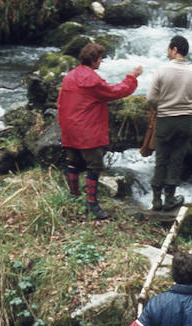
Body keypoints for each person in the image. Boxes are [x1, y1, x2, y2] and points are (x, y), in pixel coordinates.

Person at [57, 42, 142, 220]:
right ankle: (91, 204)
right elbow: (115, 92)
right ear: (94, 60)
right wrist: (132, 77)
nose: (101, 61)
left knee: (72, 163)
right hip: (87, 130)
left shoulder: (70, 76)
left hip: (69, 127)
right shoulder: (92, 80)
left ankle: (74, 196)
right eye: (100, 58)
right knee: (94, 166)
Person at [146, 34, 192, 212]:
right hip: (185, 121)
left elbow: (150, 98)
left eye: (169, 48)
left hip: (165, 120)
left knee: (161, 158)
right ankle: (170, 199)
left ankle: (156, 200)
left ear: (175, 49)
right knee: (176, 160)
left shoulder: (162, 70)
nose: (167, 51)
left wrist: (160, 107)